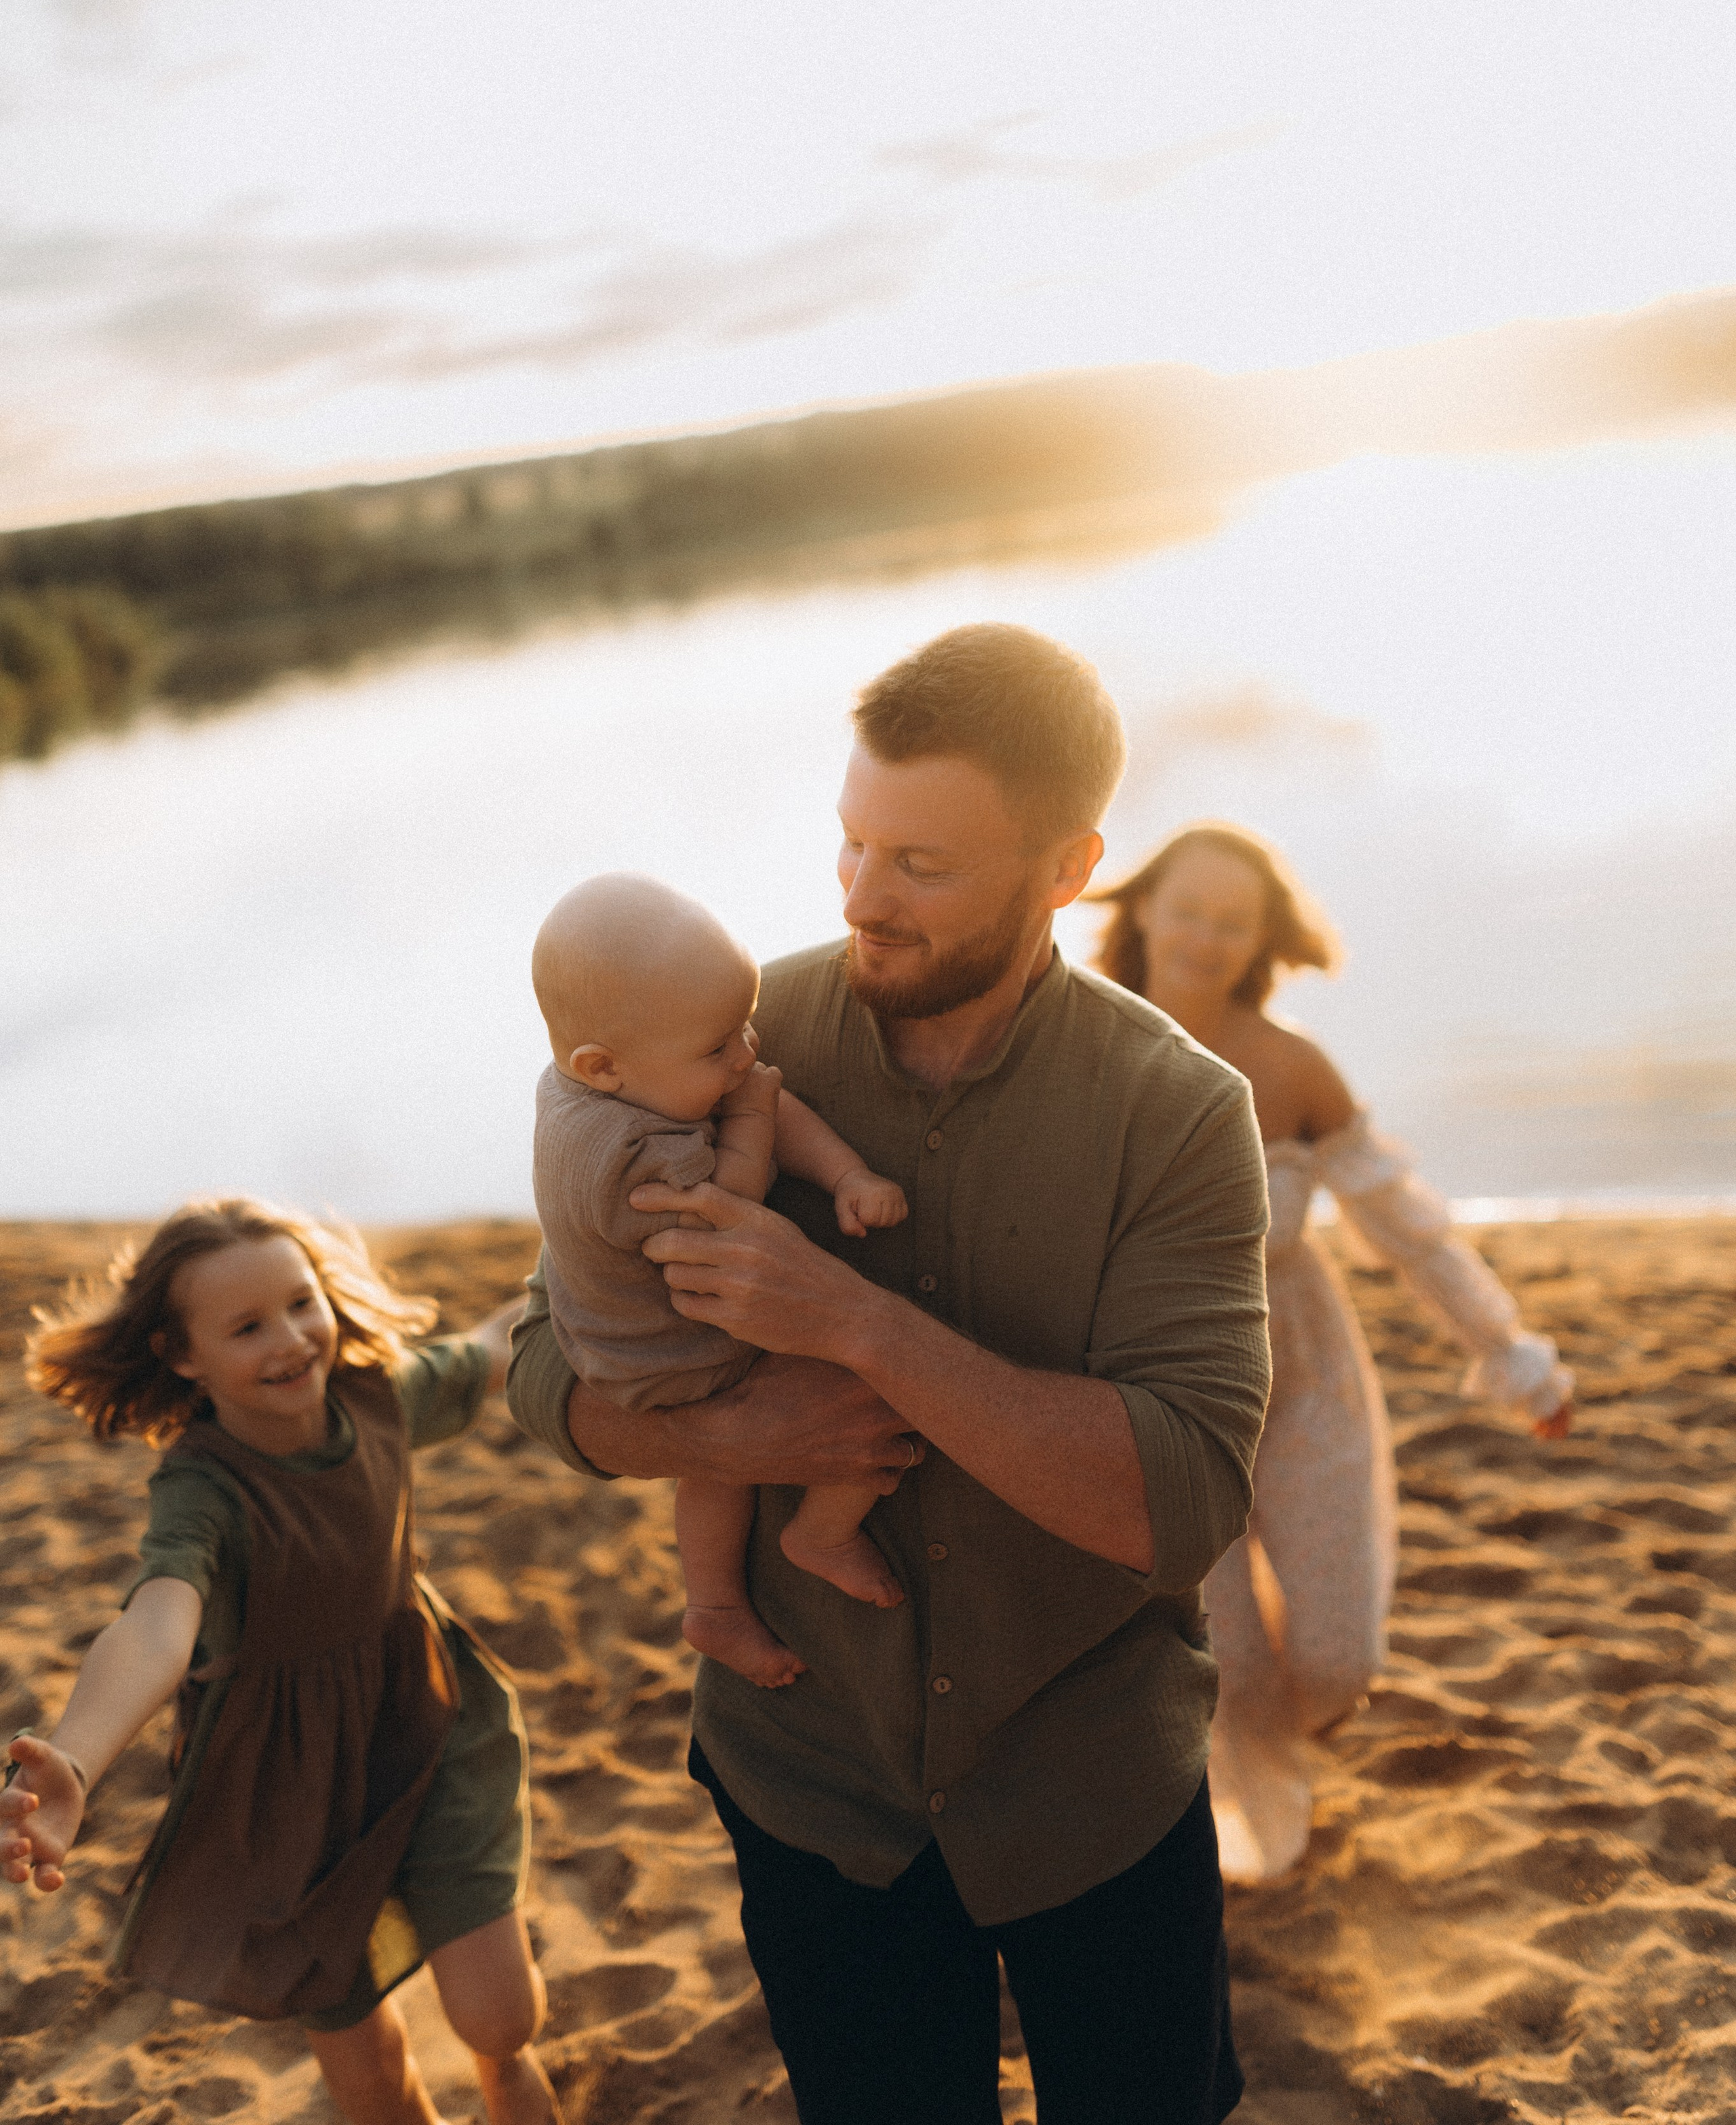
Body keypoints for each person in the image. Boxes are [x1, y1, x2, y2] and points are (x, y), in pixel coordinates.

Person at [508, 622, 1272, 2125]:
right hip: (808, 1782)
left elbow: (1182, 1500)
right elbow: (543, 1369)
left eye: (919, 864)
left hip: (1094, 1785)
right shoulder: (719, 1032)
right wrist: (736, 1423)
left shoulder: (1180, 1110)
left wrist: (857, 1327)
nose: (860, 895)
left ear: (1066, 869)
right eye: (851, 842)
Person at [1, 1197, 559, 2125]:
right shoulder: (202, 1485)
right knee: (368, 2074)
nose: (293, 1339)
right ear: (185, 1358)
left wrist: (585, 1246)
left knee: (500, 2014)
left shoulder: (378, 1394)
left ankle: (505, 2075)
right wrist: (77, 1758)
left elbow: (492, 1345)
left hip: (425, 1718)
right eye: (248, 1327)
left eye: (303, 1304)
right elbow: (155, 1628)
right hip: (282, 1784)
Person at [1088, 822, 1574, 1883]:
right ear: (1143, 913)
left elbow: (1408, 1231)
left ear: (1261, 938)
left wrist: (1514, 1354)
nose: (1207, 937)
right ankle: (1263, 1848)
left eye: (1234, 921)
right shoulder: (1083, 1050)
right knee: (1230, 1666)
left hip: (1303, 1378)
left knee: (1338, 1658)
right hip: (1163, 1403)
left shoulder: (1295, 1067)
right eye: (1191, 911)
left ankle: (1282, 1766)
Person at [531, 871, 911, 1689]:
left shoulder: (593, 1078)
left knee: (752, 1095)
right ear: (602, 1066)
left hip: (601, 1323)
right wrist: (752, 1115)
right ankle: (821, 1530)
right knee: (862, 1382)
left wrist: (841, 1172)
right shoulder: (633, 1158)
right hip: (665, 1350)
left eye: (742, 1025)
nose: (742, 1049)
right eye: (717, 1046)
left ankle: (713, 1603)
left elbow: (750, 1089)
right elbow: (729, 1209)